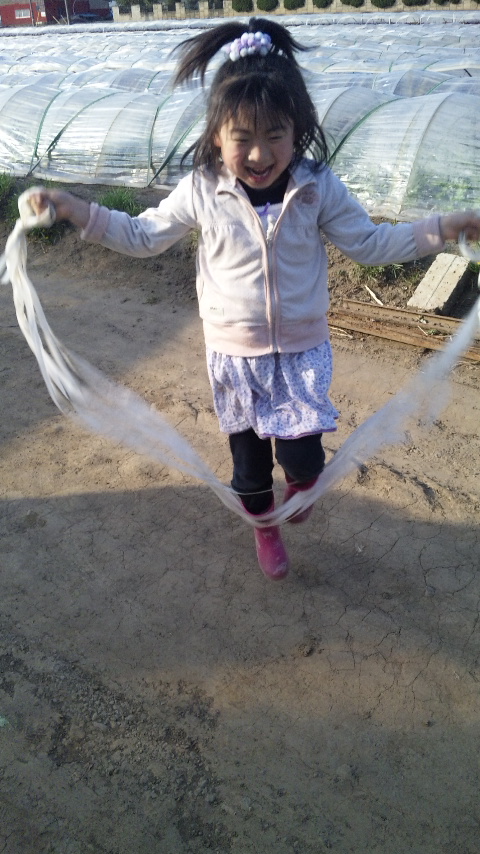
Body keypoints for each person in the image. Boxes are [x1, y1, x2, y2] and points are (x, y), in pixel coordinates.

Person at [30, 18, 480, 582]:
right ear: (217, 136)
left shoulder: (316, 186)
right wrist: (75, 208)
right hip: (234, 358)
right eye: (242, 138)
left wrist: (442, 228)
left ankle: (299, 487)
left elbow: (369, 243)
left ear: (298, 130)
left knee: (304, 462)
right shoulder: (203, 189)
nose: (261, 153)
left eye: (276, 135)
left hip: (301, 354)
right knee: (248, 473)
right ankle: (264, 528)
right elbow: (143, 236)